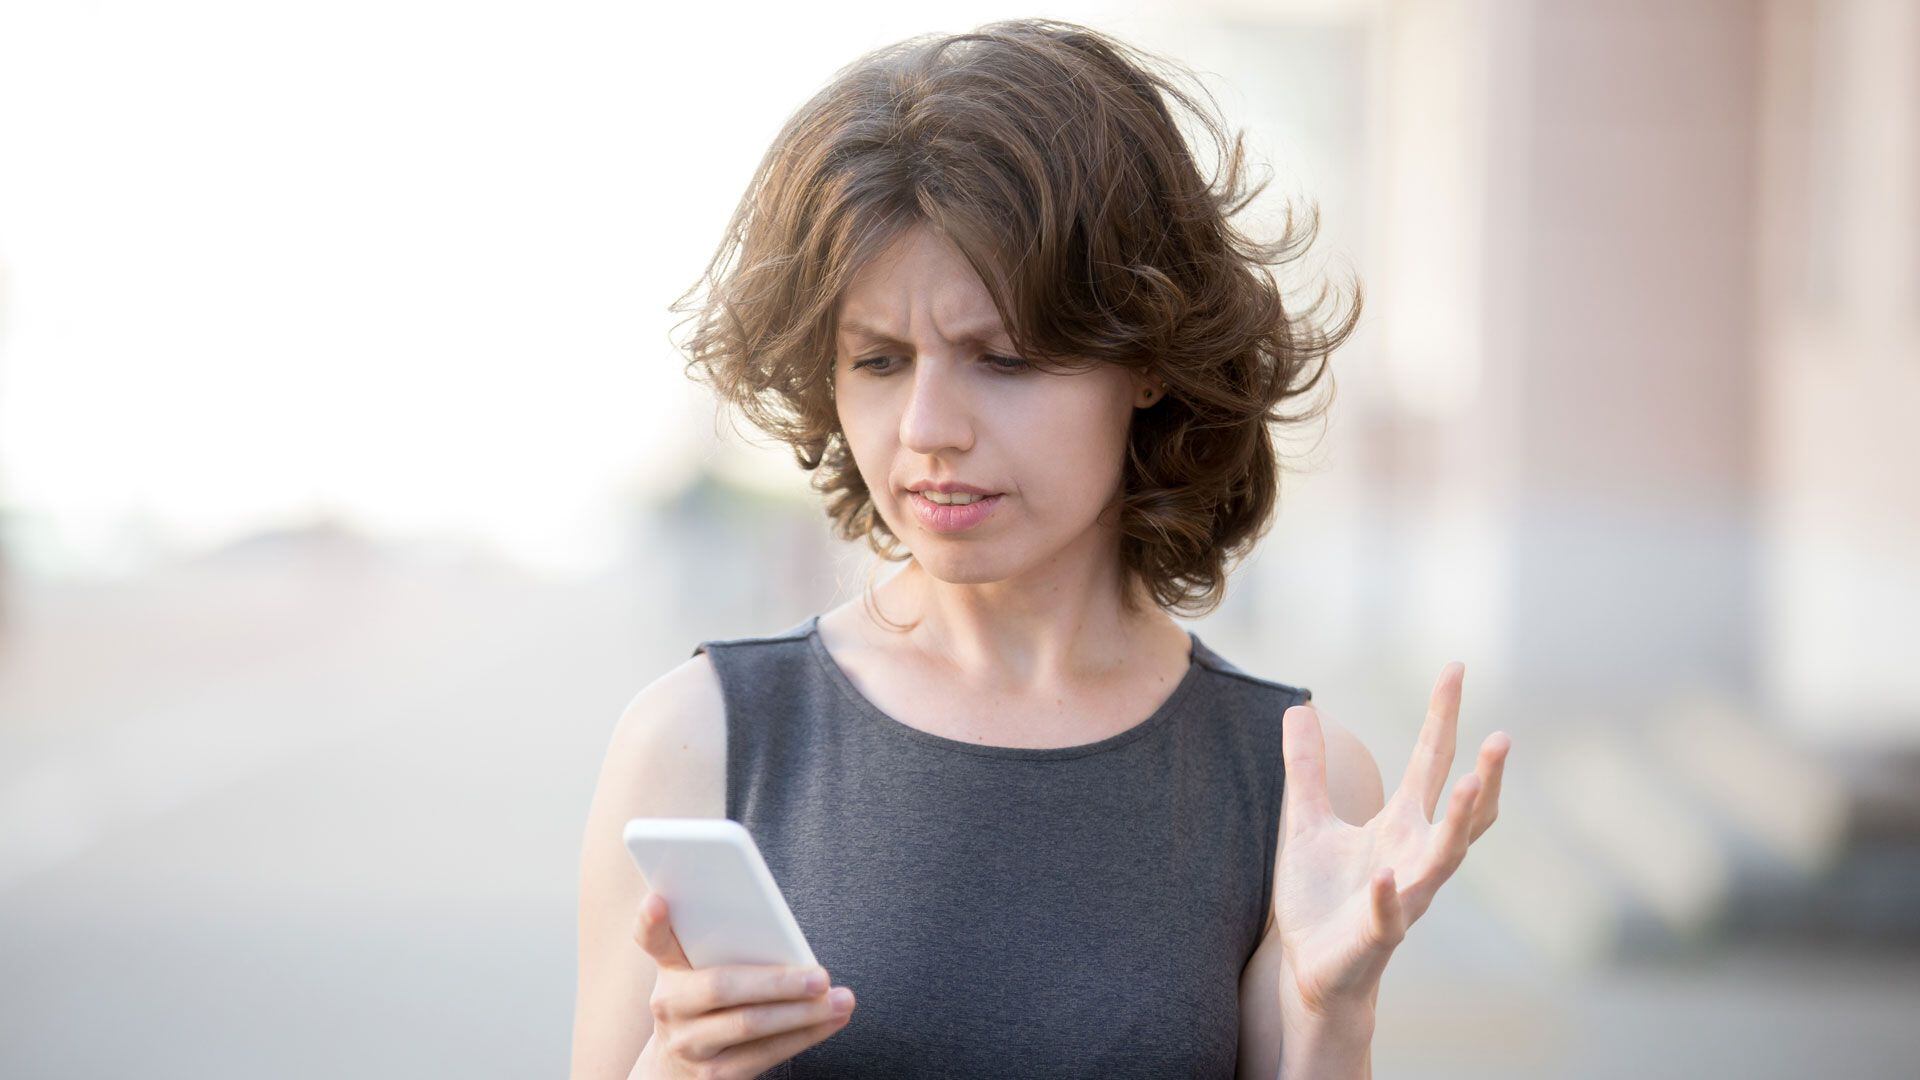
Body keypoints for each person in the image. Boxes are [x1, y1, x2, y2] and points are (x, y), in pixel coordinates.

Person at [572, 18, 1510, 1080]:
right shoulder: (696, 740)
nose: (928, 426)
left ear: (1148, 357)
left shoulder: (1297, 783)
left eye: (1003, 359)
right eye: (879, 360)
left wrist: (1332, 1018)